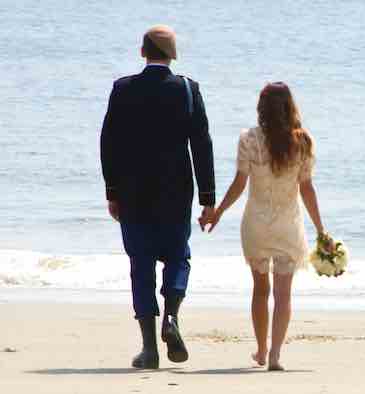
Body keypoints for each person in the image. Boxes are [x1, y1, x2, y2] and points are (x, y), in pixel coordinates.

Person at [100, 25, 215, 369]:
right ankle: (172, 318)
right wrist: (208, 197)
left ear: (142, 52)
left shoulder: (123, 89)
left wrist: (112, 191)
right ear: (172, 55)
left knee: (141, 265)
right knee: (178, 258)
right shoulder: (187, 90)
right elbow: (202, 145)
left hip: (133, 194)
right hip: (176, 193)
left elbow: (108, 143)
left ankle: (149, 349)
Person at [206, 82, 329, 371]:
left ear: (261, 108)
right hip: (288, 225)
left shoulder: (249, 139)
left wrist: (219, 211)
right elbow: (307, 189)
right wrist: (321, 229)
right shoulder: (303, 141)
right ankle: (274, 355)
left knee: (261, 289)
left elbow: (240, 183)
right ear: (290, 106)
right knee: (283, 293)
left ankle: (260, 350)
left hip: (257, 224)